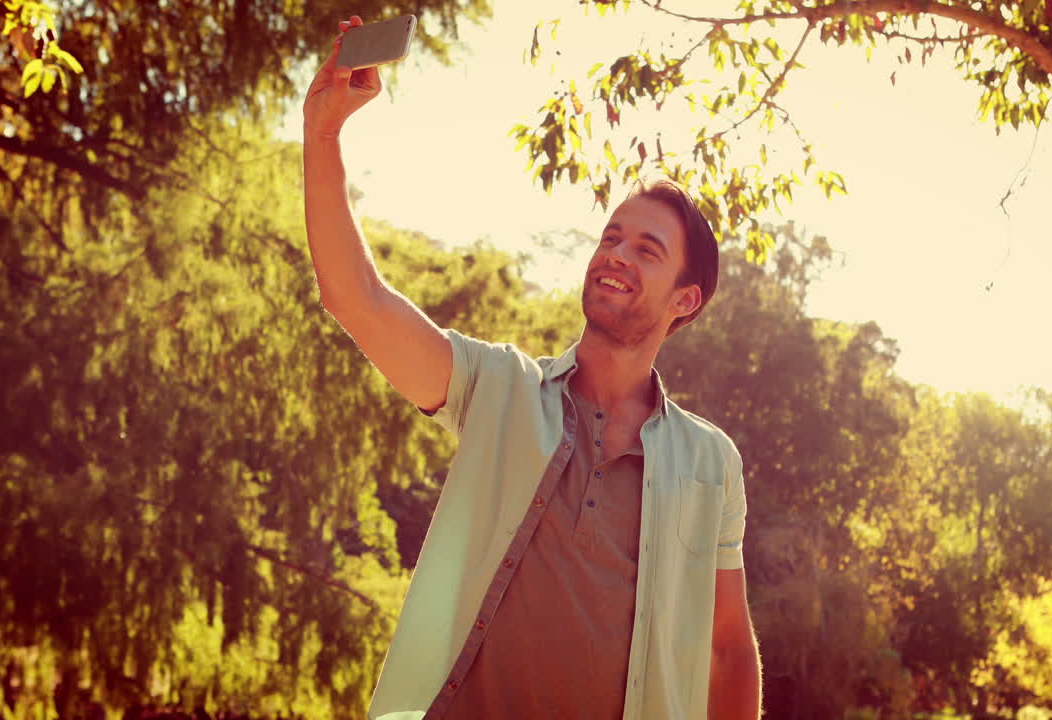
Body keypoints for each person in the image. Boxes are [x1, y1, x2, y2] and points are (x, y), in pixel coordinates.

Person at [302, 15, 761, 720]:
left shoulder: (711, 464)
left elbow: (727, 648)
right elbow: (355, 300)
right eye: (612, 237)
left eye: (646, 249)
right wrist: (324, 136)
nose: (615, 254)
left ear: (685, 299)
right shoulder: (500, 390)